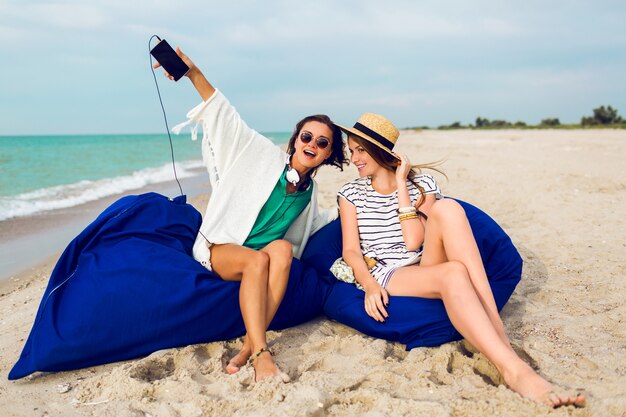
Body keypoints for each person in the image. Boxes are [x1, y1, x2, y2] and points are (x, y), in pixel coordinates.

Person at [334, 113, 586, 407]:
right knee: (453, 273)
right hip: (389, 271)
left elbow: (415, 241)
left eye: (360, 150)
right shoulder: (350, 193)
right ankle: (514, 369)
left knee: (449, 208)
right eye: (351, 150)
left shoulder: (422, 183)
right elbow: (351, 250)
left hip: (424, 261)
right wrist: (369, 285)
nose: (354, 158)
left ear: (380, 151)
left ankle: (495, 331)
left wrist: (402, 185)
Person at [154, 47, 346, 382]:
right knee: (257, 262)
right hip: (221, 248)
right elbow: (225, 115)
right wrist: (193, 72)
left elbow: (319, 223)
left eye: (322, 142)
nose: (312, 143)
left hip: (258, 255)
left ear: (329, 155)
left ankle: (247, 346)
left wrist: (361, 204)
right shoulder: (260, 154)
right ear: (295, 139)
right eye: (306, 136)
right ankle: (261, 354)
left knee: (283, 250)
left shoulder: (309, 194)